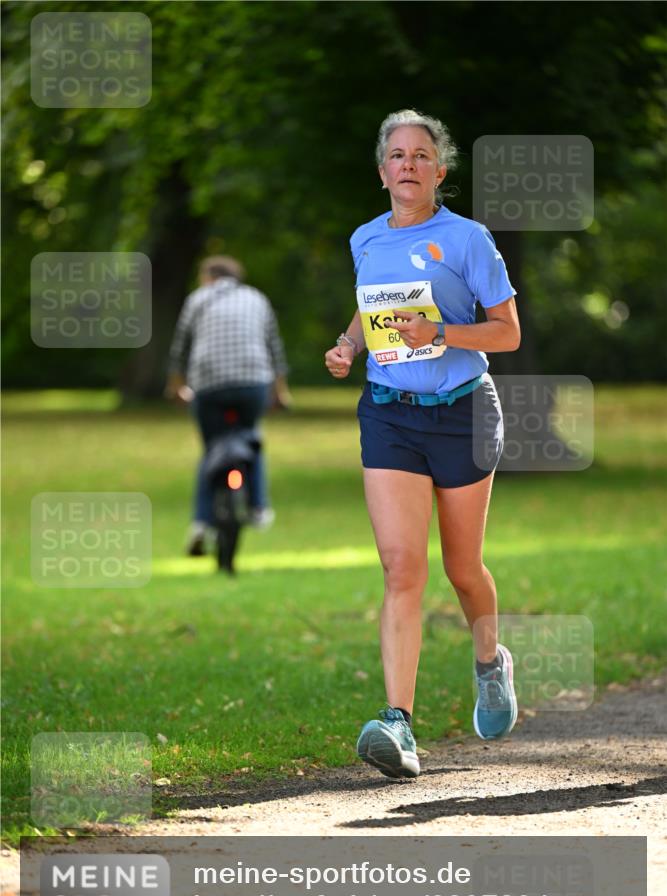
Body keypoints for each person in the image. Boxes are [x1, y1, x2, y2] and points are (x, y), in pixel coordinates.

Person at [325, 109, 520, 780]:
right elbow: (368, 303)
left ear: (439, 171)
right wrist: (350, 343)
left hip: (463, 412)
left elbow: (506, 333)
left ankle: (490, 664)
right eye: (396, 155)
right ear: (382, 173)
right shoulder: (365, 238)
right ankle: (397, 724)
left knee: (462, 570)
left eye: (420, 155)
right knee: (402, 568)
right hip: (388, 414)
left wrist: (439, 335)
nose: (407, 163)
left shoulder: (468, 240)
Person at [166, 255, 290, 553]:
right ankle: (259, 507)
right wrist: (281, 392)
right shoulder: (256, 298)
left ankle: (200, 523)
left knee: (211, 449)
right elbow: (274, 348)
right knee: (252, 438)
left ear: (208, 276)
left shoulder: (197, 299)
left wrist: (175, 386)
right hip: (253, 383)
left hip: (208, 385)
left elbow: (179, 348)